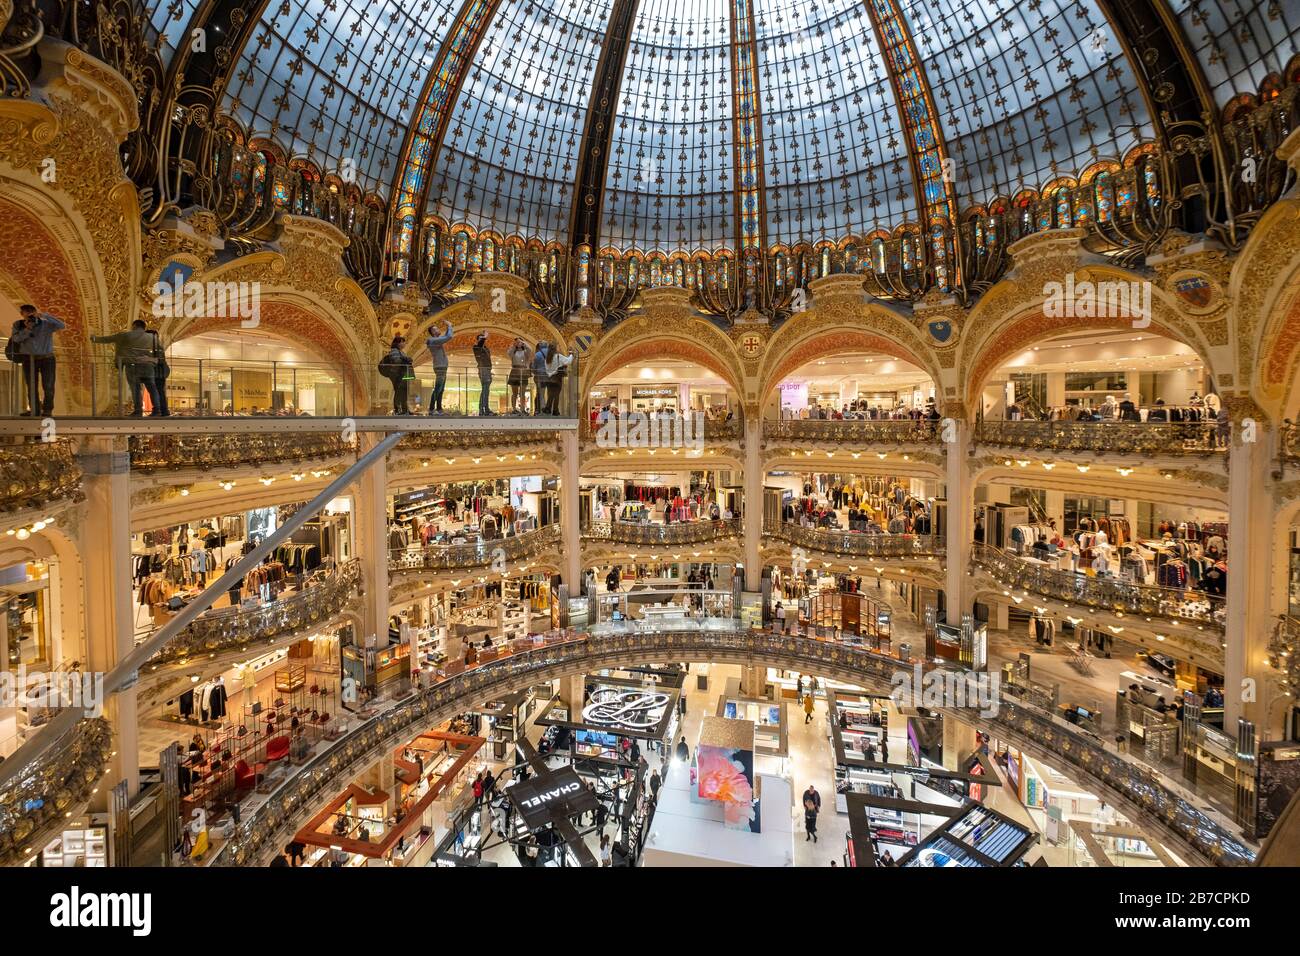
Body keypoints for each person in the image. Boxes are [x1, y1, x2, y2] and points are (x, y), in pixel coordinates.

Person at [92, 320, 163, 417]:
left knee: (136, 389)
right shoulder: (153, 338)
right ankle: (157, 410)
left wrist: (94, 338)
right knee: (152, 388)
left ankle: (138, 411)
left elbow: (107, 339)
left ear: (134, 326)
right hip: (148, 366)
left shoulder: (125, 335)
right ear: (144, 327)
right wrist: (152, 360)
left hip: (132, 366)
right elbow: (160, 353)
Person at [10, 305, 64, 416]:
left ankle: (47, 410)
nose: (30, 314)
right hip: (28, 359)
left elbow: (62, 325)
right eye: (27, 312)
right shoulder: (18, 325)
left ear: (35, 312)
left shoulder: (46, 324)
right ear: (22, 314)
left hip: (47, 359)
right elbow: (16, 339)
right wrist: (27, 329)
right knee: (31, 386)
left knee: (48, 385)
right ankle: (35, 410)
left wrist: (44, 315)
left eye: (32, 312)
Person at [379, 336, 414, 414]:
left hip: (403, 374)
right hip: (398, 375)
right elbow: (396, 361)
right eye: (402, 342)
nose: (404, 343)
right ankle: (398, 409)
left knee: (404, 392)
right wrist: (406, 359)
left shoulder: (401, 352)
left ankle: (404, 410)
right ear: (398, 343)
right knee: (399, 392)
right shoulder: (394, 351)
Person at [425, 321, 454, 414]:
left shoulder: (435, 340)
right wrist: (449, 326)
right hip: (440, 367)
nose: (438, 329)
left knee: (441, 389)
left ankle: (439, 408)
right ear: (432, 332)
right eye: (436, 329)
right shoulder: (432, 340)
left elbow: (445, 337)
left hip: (442, 367)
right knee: (438, 388)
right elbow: (448, 337)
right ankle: (431, 408)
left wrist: (448, 327)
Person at [145, 326, 171, 416]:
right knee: (159, 391)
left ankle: (161, 410)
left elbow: (158, 360)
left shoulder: (155, 347)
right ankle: (163, 411)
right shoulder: (157, 346)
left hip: (157, 374)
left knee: (157, 391)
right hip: (159, 373)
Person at [543, 343, 575, 415]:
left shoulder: (547, 358)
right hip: (557, 378)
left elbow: (547, 369)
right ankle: (555, 411)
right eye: (558, 347)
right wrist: (571, 354)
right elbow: (568, 361)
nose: (559, 348)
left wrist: (550, 373)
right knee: (556, 395)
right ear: (555, 349)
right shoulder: (558, 356)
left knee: (550, 394)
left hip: (549, 378)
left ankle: (548, 409)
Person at [472, 330, 495, 416]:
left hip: (486, 370)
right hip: (483, 370)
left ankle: (484, 409)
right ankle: (484, 409)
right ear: (478, 340)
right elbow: (480, 344)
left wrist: (489, 370)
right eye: (481, 339)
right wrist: (484, 336)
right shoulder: (476, 347)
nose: (483, 340)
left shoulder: (485, 348)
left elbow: (486, 360)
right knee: (485, 390)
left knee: (486, 390)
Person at [507, 337, 531, 413]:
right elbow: (509, 353)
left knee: (522, 393)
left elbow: (530, 349)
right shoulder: (513, 351)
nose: (518, 343)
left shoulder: (525, 351)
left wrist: (523, 342)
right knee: (514, 392)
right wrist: (513, 345)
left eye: (519, 342)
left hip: (523, 371)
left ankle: (523, 409)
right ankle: (514, 409)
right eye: (517, 342)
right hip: (514, 371)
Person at [530, 341, 549, 416]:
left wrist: (532, 368)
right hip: (550, 377)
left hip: (540, 376)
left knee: (541, 394)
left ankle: (542, 410)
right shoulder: (552, 354)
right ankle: (550, 410)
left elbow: (534, 368)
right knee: (550, 394)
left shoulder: (537, 354)